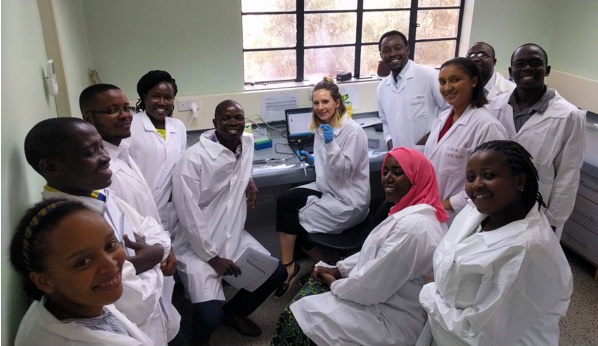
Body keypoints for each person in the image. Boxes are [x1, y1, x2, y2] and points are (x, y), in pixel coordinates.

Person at [271, 147, 448, 346]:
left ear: (417, 178)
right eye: (385, 171)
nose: (388, 178)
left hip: (389, 317)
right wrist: (340, 268)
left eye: (398, 172)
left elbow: (371, 288)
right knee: (305, 299)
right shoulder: (411, 213)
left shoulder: (414, 227)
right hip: (383, 298)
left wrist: (333, 282)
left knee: (294, 321)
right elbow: (375, 251)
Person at [24, 117, 173, 345]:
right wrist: (152, 257)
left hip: (155, 322)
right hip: (138, 326)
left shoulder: (98, 194)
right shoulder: (64, 228)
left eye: (101, 146)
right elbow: (136, 301)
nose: (104, 156)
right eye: (89, 152)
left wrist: (153, 254)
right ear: (51, 167)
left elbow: (149, 225)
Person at [418, 140, 573, 346]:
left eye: (489, 175)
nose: (476, 185)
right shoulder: (478, 210)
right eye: (471, 177)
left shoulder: (528, 251)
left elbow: (481, 337)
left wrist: (430, 294)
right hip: (445, 327)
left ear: (519, 182)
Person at [172, 100, 287, 345]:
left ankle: (234, 313)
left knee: (276, 274)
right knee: (208, 318)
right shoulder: (192, 160)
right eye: (226, 118)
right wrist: (213, 258)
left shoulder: (246, 142)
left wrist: (249, 181)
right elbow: (187, 213)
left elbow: (236, 168)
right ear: (214, 123)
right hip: (196, 245)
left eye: (238, 118)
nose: (233, 123)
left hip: (232, 233)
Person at [80, 84, 181, 343]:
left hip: (152, 259)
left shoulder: (122, 152)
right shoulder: (101, 170)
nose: (125, 115)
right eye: (112, 110)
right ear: (89, 118)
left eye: (126, 108)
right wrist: (157, 252)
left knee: (164, 323)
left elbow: (144, 217)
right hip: (134, 280)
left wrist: (165, 246)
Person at [275, 76, 370, 298]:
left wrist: (330, 144)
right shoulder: (324, 126)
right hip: (330, 188)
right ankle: (293, 265)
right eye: (316, 103)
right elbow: (329, 162)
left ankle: (318, 268)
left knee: (294, 220)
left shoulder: (352, 132)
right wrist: (314, 160)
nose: (320, 107)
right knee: (285, 201)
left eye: (325, 102)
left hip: (348, 201)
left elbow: (345, 170)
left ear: (337, 102)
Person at [10, 198, 153, 346]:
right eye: (83, 262)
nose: (110, 265)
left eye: (110, 245)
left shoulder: (57, 305)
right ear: (43, 281)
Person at [487, 43, 586, 236]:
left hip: (539, 211)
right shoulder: (496, 106)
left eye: (535, 63)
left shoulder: (568, 115)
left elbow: (568, 174)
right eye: (520, 63)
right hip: (495, 204)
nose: (527, 68)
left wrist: (553, 221)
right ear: (511, 71)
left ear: (547, 70)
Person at [424, 57, 508, 214]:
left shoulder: (487, 127)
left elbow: (492, 183)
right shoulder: (442, 119)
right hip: (432, 207)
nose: (447, 88)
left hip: (460, 214)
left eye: (455, 80)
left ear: (474, 81)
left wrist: (447, 204)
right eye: (442, 82)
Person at [128, 70, 187, 237]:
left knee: (172, 256)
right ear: (144, 96)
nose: (162, 102)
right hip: (139, 209)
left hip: (172, 208)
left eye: (168, 97)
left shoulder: (178, 127)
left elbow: (184, 166)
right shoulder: (131, 125)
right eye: (156, 96)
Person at [377, 30, 446, 151]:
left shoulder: (430, 76)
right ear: (381, 56)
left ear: (407, 49)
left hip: (427, 152)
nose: (393, 54)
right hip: (399, 157)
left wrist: (430, 137)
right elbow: (385, 122)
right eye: (386, 51)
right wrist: (389, 141)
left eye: (397, 48)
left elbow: (449, 110)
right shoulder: (382, 88)